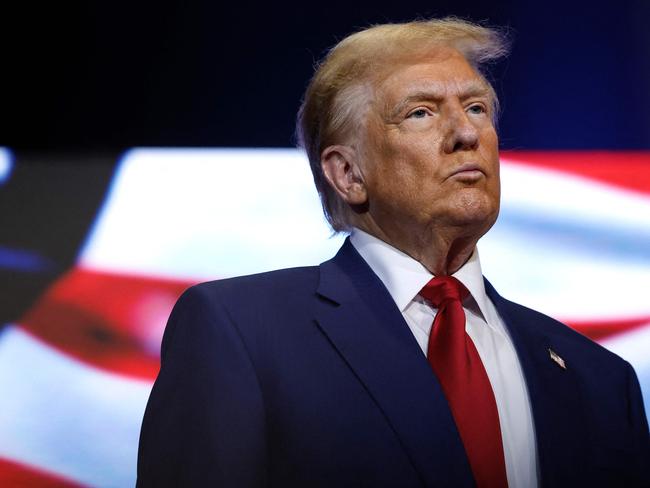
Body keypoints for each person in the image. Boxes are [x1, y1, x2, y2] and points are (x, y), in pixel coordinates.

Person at [137, 18, 650, 487]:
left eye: (476, 108)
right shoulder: (243, 332)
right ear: (348, 174)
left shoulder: (599, 380)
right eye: (421, 112)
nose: (467, 133)